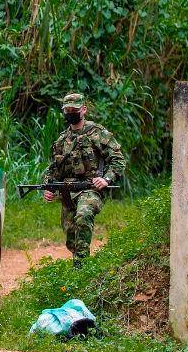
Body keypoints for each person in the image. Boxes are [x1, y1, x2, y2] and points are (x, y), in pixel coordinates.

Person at [40, 93, 126, 264]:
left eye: (75, 110)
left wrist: (106, 179)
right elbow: (53, 169)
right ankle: (79, 263)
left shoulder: (97, 133)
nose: (71, 113)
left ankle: (81, 266)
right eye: (68, 110)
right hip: (67, 193)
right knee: (71, 236)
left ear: (84, 110)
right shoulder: (62, 140)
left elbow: (118, 160)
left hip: (90, 189)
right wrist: (48, 187)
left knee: (83, 215)